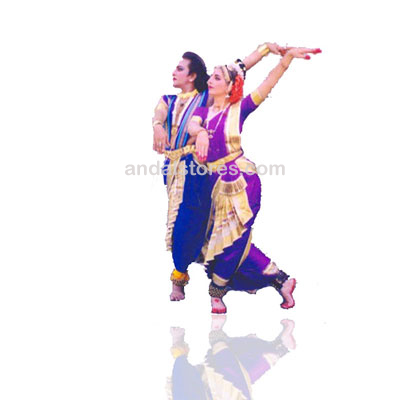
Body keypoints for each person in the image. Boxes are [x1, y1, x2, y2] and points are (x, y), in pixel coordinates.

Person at [188, 46, 322, 313]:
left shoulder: (239, 109)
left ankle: (217, 292)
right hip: (212, 184)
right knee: (215, 240)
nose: (210, 80)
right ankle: (280, 279)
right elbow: (193, 126)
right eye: (211, 75)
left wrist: (285, 59)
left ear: (229, 87)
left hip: (240, 184)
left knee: (234, 240)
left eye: (217, 77)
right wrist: (200, 133)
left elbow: (268, 83)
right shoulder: (202, 110)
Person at [152, 44, 285, 301]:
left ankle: (192, 279)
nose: (174, 72)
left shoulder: (208, 97)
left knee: (195, 225)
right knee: (186, 226)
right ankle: (187, 275)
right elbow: (160, 113)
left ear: (192, 75)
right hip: (174, 169)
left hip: (198, 170)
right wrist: (157, 125)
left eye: (180, 69)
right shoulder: (169, 100)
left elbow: (241, 67)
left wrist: (268, 50)